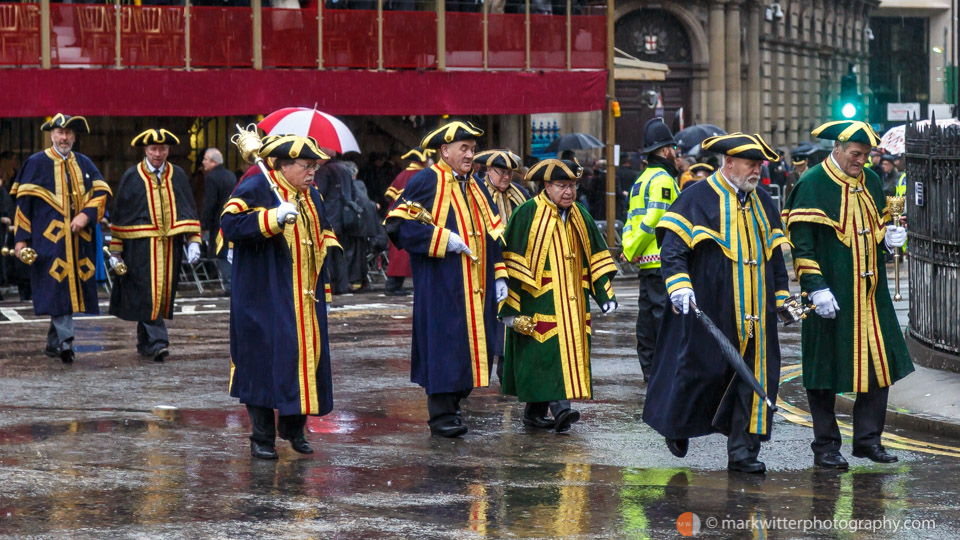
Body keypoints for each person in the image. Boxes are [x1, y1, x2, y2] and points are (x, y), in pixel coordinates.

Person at [642, 132, 790, 474]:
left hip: (757, 312)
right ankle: (676, 426)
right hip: (709, 306)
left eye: (759, 165)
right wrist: (679, 287)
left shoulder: (764, 201)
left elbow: (775, 260)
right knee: (699, 373)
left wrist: (781, 297)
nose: (756, 171)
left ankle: (743, 451)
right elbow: (673, 251)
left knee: (755, 378)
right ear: (729, 162)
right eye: (750, 164)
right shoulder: (696, 198)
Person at [781, 120, 913, 469]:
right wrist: (815, 287)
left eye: (866, 155)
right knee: (823, 368)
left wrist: (888, 240)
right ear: (836, 149)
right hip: (832, 292)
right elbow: (801, 244)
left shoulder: (870, 179)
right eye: (855, 154)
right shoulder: (812, 184)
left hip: (872, 294)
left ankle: (868, 440)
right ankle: (825, 445)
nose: (861, 162)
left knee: (880, 367)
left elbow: (877, 228)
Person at [384, 121, 508, 438]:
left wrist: (499, 276)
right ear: (445, 151)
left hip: (477, 286)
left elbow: (493, 235)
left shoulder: (477, 185)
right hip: (442, 283)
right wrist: (442, 239)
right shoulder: (426, 180)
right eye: (463, 149)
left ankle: (454, 403)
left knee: (472, 350)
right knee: (445, 347)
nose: (470, 155)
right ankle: (441, 415)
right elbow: (399, 226)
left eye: (472, 149)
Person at [221, 135, 341, 459]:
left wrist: (324, 289)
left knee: (301, 362)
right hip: (264, 296)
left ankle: (292, 428)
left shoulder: (312, 195)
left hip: (304, 298)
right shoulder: (257, 187)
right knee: (262, 363)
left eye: (315, 166)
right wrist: (271, 219)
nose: (312, 172)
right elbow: (229, 224)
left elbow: (323, 241)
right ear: (283, 165)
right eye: (306, 166)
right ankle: (261, 437)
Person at [499, 158, 618, 432]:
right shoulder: (527, 213)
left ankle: (534, 413)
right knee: (545, 355)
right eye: (562, 185)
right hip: (538, 301)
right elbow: (510, 262)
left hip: (573, 301)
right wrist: (508, 308)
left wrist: (604, 294)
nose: (569, 192)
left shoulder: (580, 214)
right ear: (547, 186)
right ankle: (561, 409)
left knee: (560, 355)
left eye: (573, 185)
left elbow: (596, 258)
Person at [12, 114, 112, 363]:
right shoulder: (36, 163)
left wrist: (86, 215)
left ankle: (54, 343)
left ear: (74, 137)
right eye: (59, 133)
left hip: (80, 241)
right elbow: (23, 206)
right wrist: (21, 240)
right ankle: (66, 341)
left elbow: (101, 193)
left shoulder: (85, 163)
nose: (64, 137)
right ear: (51, 135)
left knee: (66, 294)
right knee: (55, 289)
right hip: (48, 241)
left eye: (68, 133)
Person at [108, 129, 202, 362]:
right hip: (139, 247)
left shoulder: (177, 175)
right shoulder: (132, 176)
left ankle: (145, 342)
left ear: (168, 150)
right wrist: (116, 252)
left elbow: (187, 208)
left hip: (170, 246)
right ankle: (159, 342)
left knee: (158, 294)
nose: (158, 154)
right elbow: (122, 216)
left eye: (162, 149)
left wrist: (193, 241)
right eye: (153, 149)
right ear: (145, 150)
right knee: (146, 292)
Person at [622, 117, 679, 382]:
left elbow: (630, 220)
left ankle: (649, 369)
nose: (675, 153)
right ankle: (664, 371)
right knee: (662, 319)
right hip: (661, 259)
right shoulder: (663, 180)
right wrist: (633, 248)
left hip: (646, 262)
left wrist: (629, 248)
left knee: (646, 319)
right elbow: (655, 218)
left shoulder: (640, 180)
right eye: (673, 148)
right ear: (665, 150)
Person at [473, 148, 528, 382]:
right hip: (485, 265)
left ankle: (507, 373)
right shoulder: (476, 191)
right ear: (488, 170)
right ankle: (476, 373)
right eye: (501, 172)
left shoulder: (521, 193)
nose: (506, 177)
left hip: (516, 266)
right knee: (485, 319)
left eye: (510, 173)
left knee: (511, 317)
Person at [383, 147, 434, 296]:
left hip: (395, 219)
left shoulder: (402, 175)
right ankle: (393, 286)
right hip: (415, 219)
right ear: (423, 160)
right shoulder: (424, 176)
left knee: (398, 254)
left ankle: (394, 284)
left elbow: (389, 197)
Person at [200, 148, 238, 295]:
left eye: (205, 159)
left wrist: (204, 225)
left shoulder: (211, 177)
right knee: (229, 252)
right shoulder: (230, 175)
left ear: (214, 162)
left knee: (221, 253)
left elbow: (210, 203)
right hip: (231, 217)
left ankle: (229, 285)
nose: (203, 162)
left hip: (218, 221)